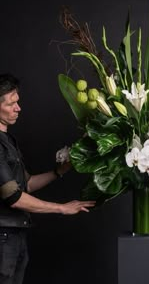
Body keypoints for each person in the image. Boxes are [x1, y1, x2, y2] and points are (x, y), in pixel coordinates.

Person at [0, 73, 95, 284]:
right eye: (12, 104)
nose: (18, 108)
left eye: (18, 102)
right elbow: (13, 197)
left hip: (15, 236)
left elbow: (28, 184)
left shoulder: (8, 140)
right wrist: (62, 208)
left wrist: (61, 170)